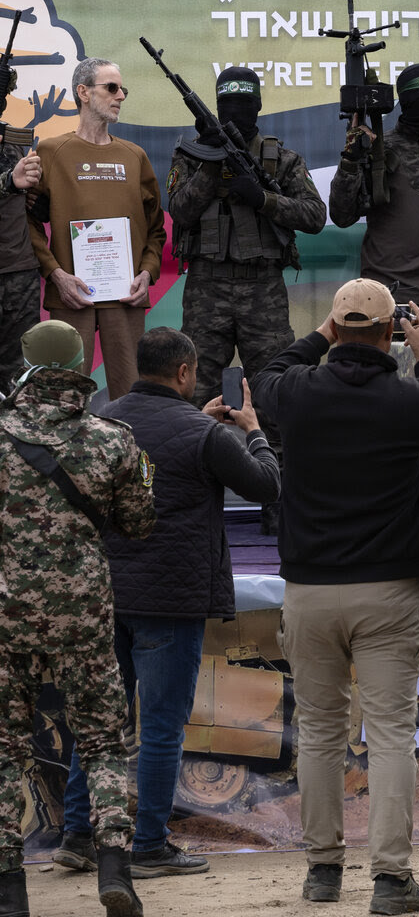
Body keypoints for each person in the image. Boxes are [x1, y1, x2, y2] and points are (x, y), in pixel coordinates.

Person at [250, 278, 419, 913]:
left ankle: (323, 871)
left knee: (317, 732)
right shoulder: (409, 397)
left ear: (335, 331)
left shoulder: (297, 394)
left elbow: (267, 373)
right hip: (389, 589)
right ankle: (391, 880)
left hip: (311, 589)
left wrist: (322, 335)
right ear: (390, 332)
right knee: (391, 733)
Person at [54, 326, 280, 880]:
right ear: (184, 373)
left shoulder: (102, 421)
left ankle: (78, 835)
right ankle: (150, 845)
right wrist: (252, 431)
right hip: (171, 601)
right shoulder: (202, 433)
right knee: (160, 728)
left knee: (100, 723)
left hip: (105, 595)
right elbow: (267, 486)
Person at [0, 319, 155, 917]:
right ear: (79, 363)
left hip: (8, 614)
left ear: (27, 363)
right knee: (105, 745)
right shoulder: (113, 439)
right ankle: (115, 870)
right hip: (84, 616)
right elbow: (139, 526)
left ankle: (10, 890)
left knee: (6, 750)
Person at [165, 66, 325, 530]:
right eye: (227, 102)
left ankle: (278, 497)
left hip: (263, 290)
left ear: (258, 104)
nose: (237, 110)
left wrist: (263, 199)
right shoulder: (192, 154)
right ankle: (192, 494)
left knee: (274, 392)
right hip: (207, 288)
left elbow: (315, 215)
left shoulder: (282, 160)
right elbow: (180, 210)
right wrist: (212, 163)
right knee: (192, 393)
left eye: (245, 101)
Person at [28, 58, 167, 400]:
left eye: (123, 89)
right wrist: (56, 274)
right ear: (83, 92)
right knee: (63, 399)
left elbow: (156, 228)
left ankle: (128, 456)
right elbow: (26, 221)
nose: (120, 96)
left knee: (131, 396)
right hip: (72, 295)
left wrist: (147, 274)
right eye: (111, 88)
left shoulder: (134, 156)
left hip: (125, 296)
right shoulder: (51, 151)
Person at [329, 63, 419, 340]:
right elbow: (342, 214)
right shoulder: (377, 147)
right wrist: (352, 156)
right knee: (386, 379)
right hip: (384, 296)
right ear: (407, 103)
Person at [0, 140, 42, 393]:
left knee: (20, 378)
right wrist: (8, 182)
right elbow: (11, 182)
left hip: (19, 272)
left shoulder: (12, 143)